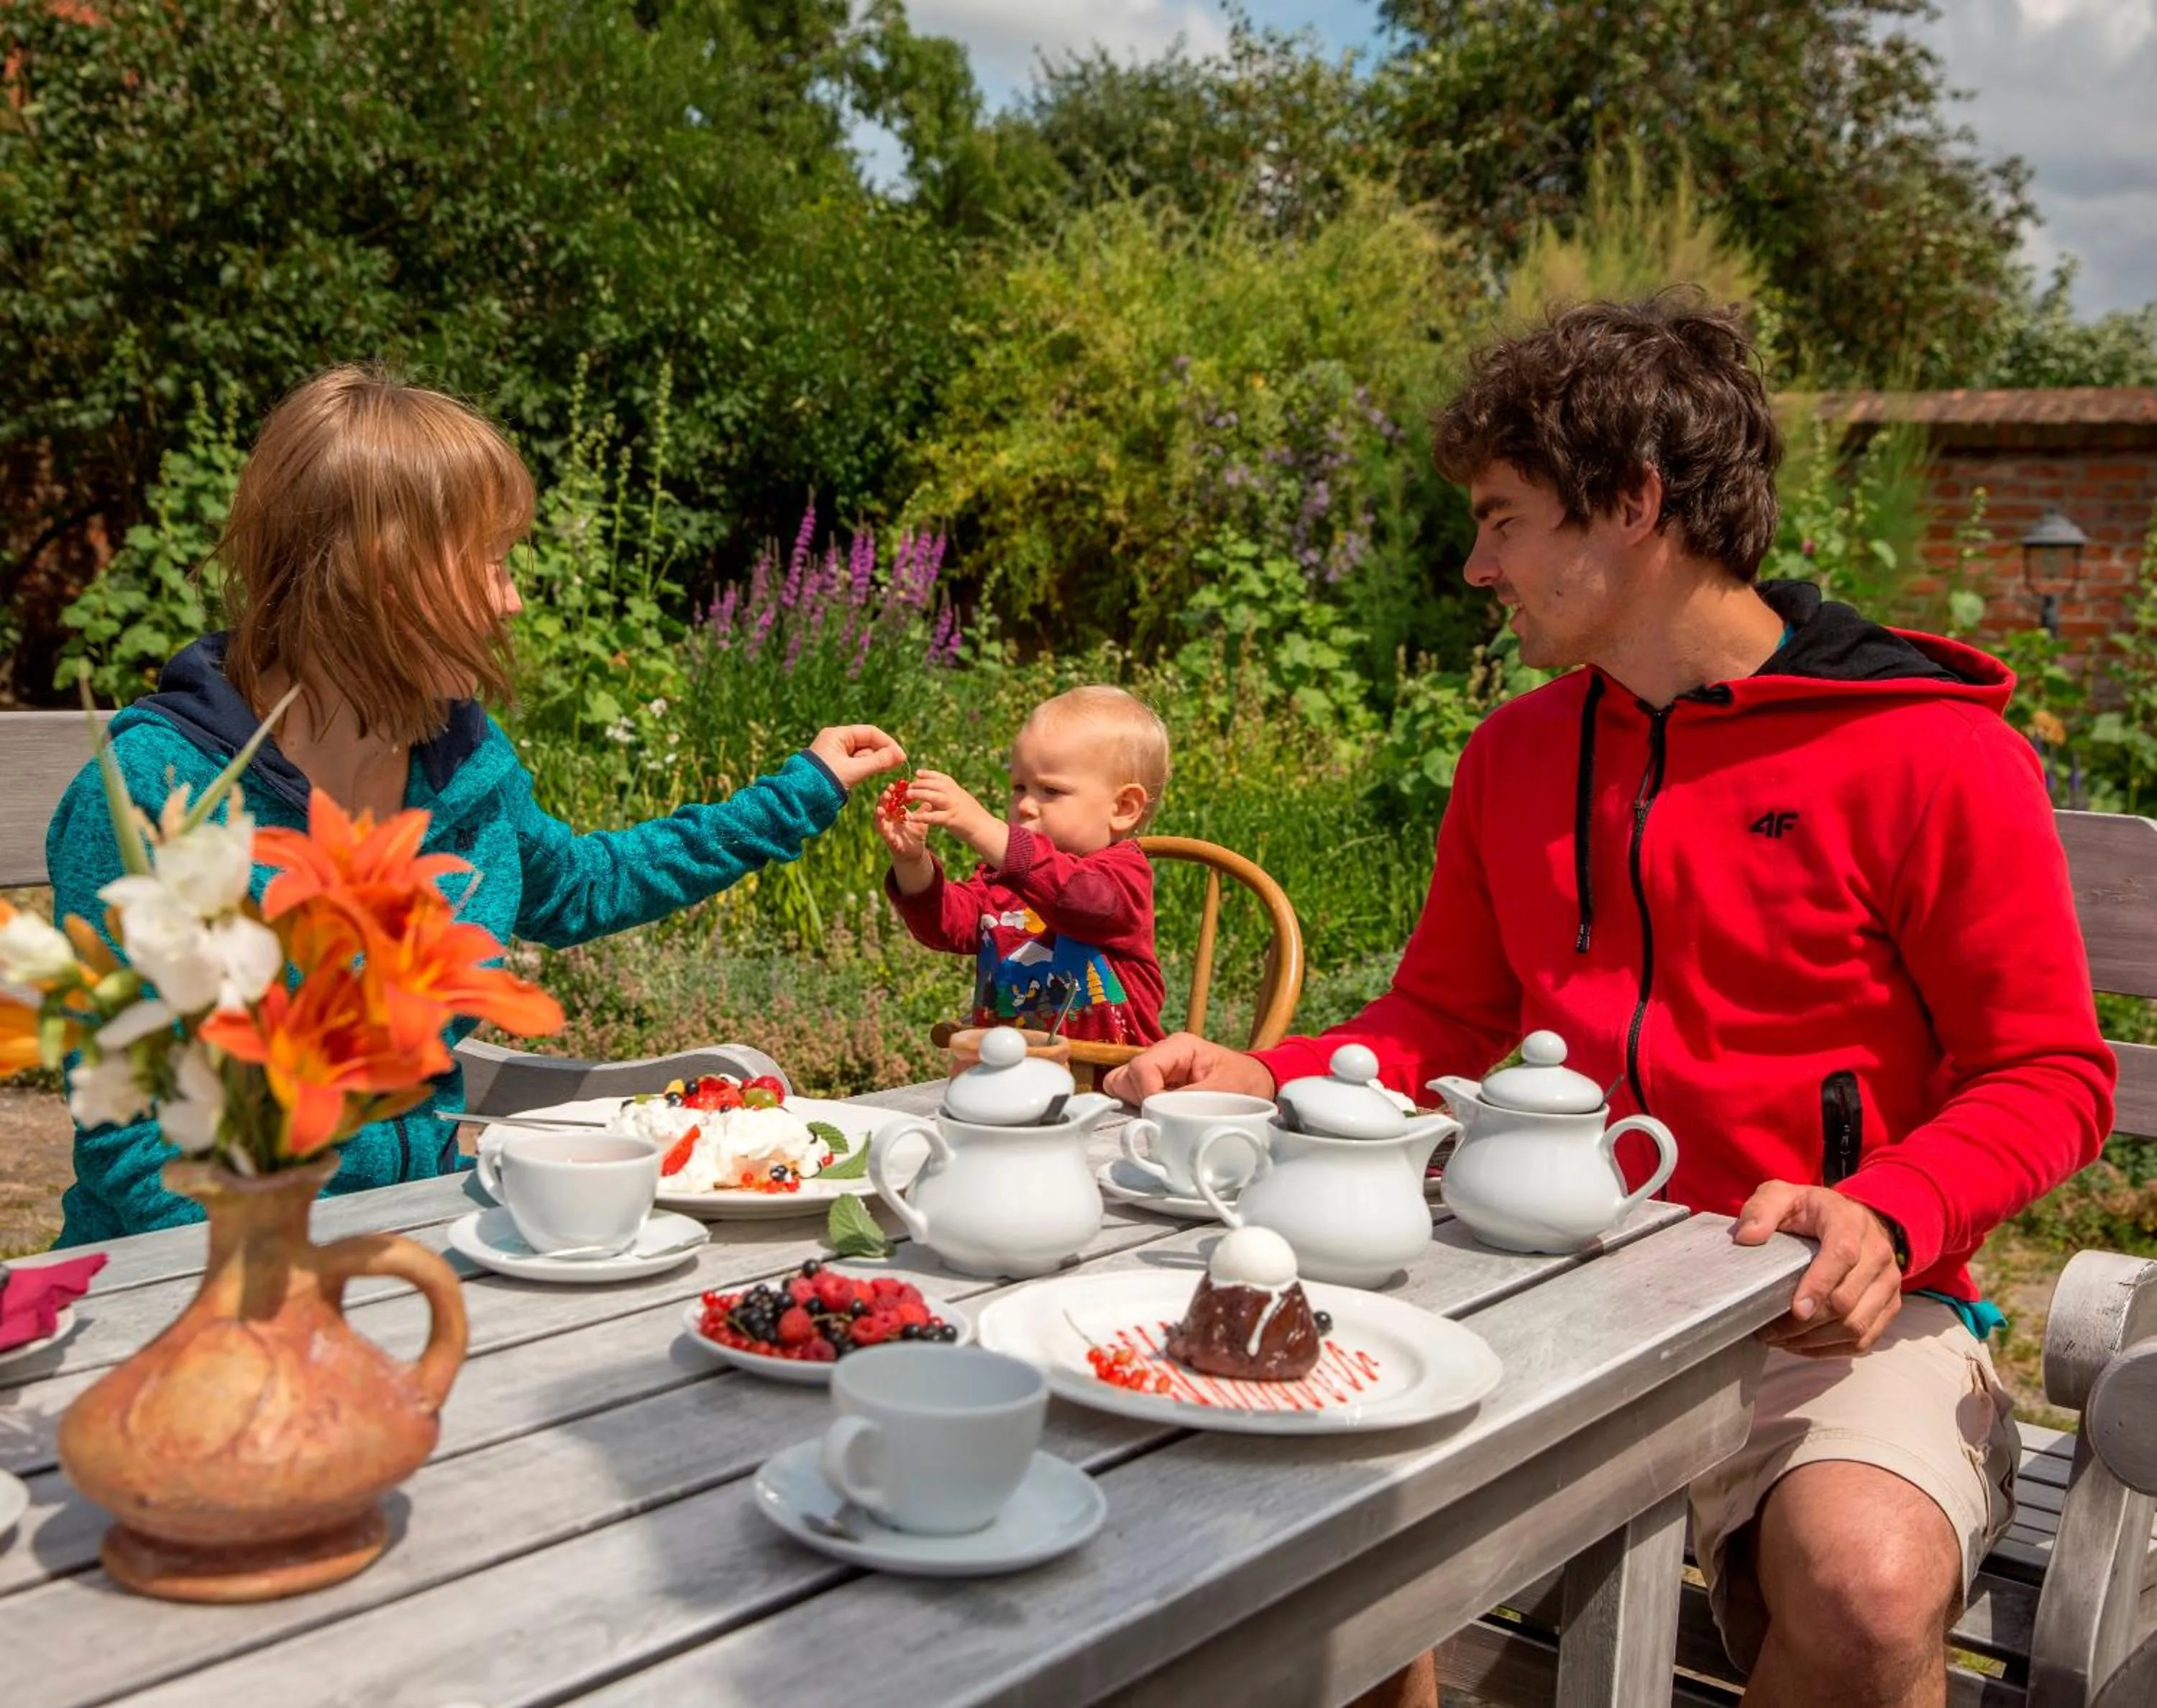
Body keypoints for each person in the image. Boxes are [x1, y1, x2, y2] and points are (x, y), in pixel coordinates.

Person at [1107, 294, 2116, 1708]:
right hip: (1525, 1278)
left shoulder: (1931, 756)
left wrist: (1892, 1210)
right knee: (1260, 1472)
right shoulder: (1513, 758)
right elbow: (1441, 1027)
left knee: (1867, 1588)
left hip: (1813, 1316)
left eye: (1505, 518)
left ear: (1633, 503)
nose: (1474, 564)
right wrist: (1267, 1076)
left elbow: (2052, 1073)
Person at [48, 365, 906, 1244]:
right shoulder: (154, 804)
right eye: (490, 563)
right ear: (382, 574)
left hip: (421, 1235)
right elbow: (145, 1160)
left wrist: (799, 791)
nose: (512, 599)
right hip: (205, 1285)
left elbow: (580, 885)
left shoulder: (456, 764)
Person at [877, 684, 1168, 1045]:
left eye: (1050, 791)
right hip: (1011, 1071)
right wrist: (912, 862)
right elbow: (946, 926)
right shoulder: (1006, 877)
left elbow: (1078, 899)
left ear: (1123, 808)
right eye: (1019, 787)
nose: (1026, 805)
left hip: (1111, 1079)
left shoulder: (1122, 875)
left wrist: (984, 828)